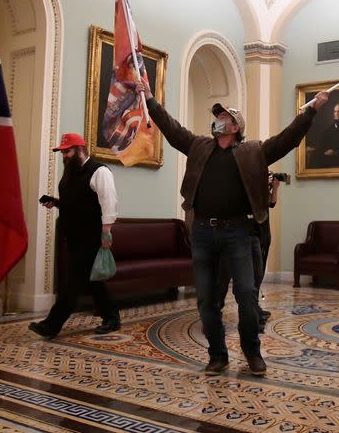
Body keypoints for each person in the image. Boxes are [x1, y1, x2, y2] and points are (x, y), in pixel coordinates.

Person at [137, 79, 328, 377]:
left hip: (237, 233)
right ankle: (217, 356)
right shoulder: (199, 146)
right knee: (206, 299)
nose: (218, 121)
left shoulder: (253, 151)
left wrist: (311, 111)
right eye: (217, 117)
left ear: (235, 126)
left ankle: (252, 352)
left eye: (223, 117)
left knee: (246, 295)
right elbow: (171, 129)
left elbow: (288, 139)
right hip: (201, 233)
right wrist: (149, 99)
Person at [29, 133, 122, 338]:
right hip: (73, 236)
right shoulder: (70, 173)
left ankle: (51, 325)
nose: (64, 156)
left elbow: (109, 202)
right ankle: (112, 317)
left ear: (80, 150)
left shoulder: (100, 171)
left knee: (72, 283)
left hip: (91, 237)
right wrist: (56, 202)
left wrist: (106, 233)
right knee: (94, 281)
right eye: (62, 152)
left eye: (67, 151)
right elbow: (77, 202)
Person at [217, 172, 282, 332]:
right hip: (233, 234)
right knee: (223, 278)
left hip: (255, 235)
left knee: (256, 276)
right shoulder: (235, 179)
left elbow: (270, 203)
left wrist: (274, 188)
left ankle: (252, 313)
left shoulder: (259, 184)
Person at [307, 103, 339, 168]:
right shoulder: (330, 128)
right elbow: (323, 141)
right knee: (314, 155)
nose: (337, 113)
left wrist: (335, 151)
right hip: (327, 153)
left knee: (317, 158)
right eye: (335, 111)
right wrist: (314, 148)